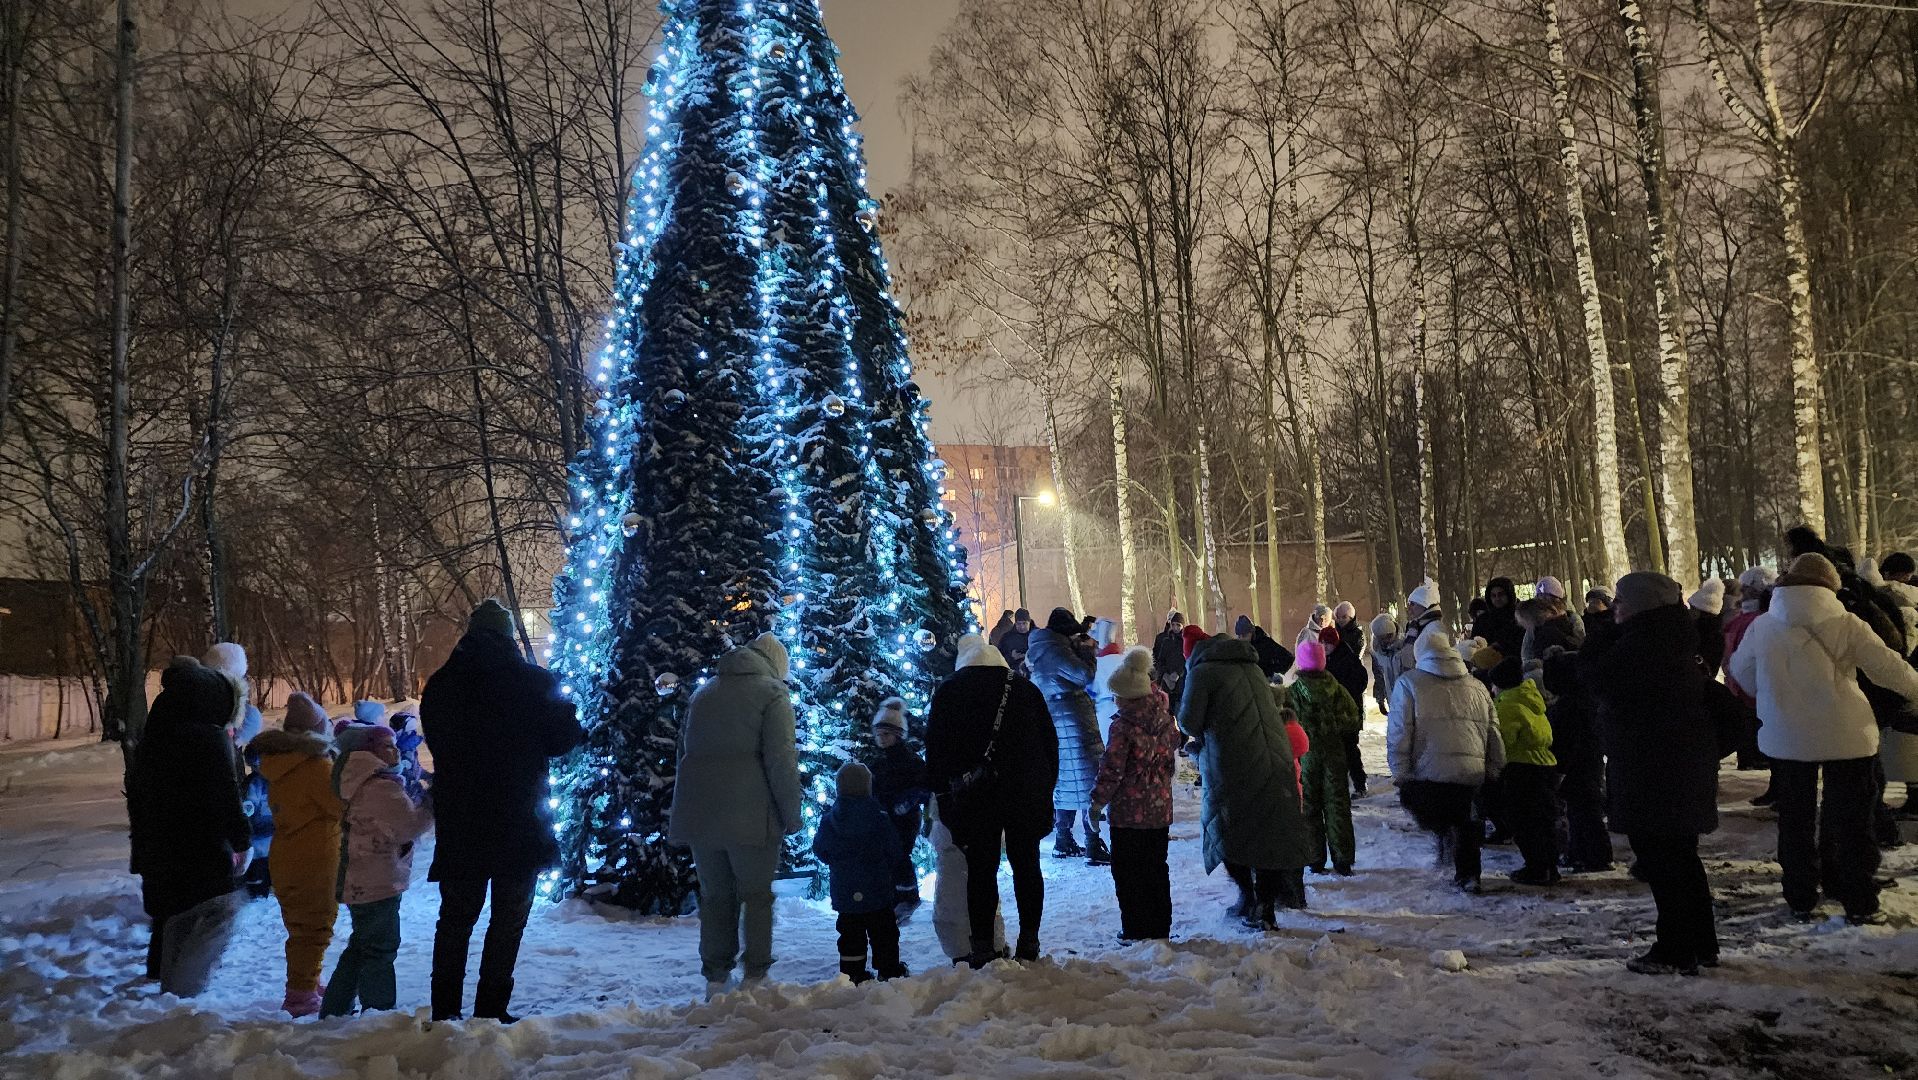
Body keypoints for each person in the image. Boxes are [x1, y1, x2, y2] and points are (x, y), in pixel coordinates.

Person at [1727, 553, 1918, 925]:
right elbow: (1888, 669)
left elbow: (1743, 673)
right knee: (1851, 820)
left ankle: (1800, 895)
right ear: (1831, 586)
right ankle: (1857, 897)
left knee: (1794, 820)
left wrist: (1776, 698)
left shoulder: (1763, 626)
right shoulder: (1846, 623)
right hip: (1846, 734)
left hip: (1786, 736)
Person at [422, 598, 584, 1021]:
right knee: (508, 921)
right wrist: (564, 708)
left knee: (455, 921)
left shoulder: (442, 684)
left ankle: (444, 1012)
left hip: (461, 822)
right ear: (509, 635)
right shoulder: (533, 681)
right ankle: (491, 1009)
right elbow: (562, 741)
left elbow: (439, 745)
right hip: (519, 820)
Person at [1582, 572, 1723, 973]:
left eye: (1621, 601)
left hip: (1652, 770)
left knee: (1663, 862)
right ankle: (1701, 943)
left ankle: (1676, 949)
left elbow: (1596, 677)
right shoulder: (1673, 635)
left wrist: (1601, 635)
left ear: (1641, 605)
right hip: (1679, 766)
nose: (1615, 607)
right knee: (1681, 858)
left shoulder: (1642, 643)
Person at [666, 631, 801, 998]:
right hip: (752, 816)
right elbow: (781, 761)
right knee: (756, 897)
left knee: (715, 896)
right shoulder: (773, 695)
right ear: (776, 666)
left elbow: (684, 756)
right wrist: (791, 813)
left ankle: (716, 978)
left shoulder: (703, 693)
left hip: (702, 816)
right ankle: (756, 975)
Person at [926, 634, 1058, 966]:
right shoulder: (1026, 690)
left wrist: (944, 798)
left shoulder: (950, 691)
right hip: (1024, 792)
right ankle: (1029, 940)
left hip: (977, 796)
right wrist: (1044, 792)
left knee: (981, 870)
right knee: (1027, 865)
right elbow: (1050, 746)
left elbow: (936, 752)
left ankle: (983, 946)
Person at [127, 657, 252, 998]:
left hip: (159, 848)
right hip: (201, 849)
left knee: (173, 918)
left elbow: (139, 797)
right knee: (213, 914)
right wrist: (241, 839)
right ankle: (183, 996)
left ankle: (169, 989)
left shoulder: (155, 736)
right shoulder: (209, 739)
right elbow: (224, 795)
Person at [1177, 630, 1311, 930]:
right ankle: (1265, 906)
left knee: (1229, 830)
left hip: (1235, 762)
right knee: (1269, 830)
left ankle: (1249, 897)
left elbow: (1188, 722)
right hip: (1275, 755)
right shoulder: (1251, 666)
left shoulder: (1202, 672)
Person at [321, 724, 435, 1017]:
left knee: (361, 946)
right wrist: (431, 804)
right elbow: (407, 826)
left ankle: (335, 1008)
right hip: (377, 881)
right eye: (387, 746)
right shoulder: (379, 786)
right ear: (367, 752)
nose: (395, 751)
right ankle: (378, 1012)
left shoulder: (359, 781)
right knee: (381, 949)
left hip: (362, 878)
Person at [1388, 630, 1504, 894]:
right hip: (1471, 773)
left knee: (1444, 813)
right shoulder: (1477, 686)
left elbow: (1400, 731)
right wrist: (1494, 767)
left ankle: (1446, 841)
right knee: (1468, 819)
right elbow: (1493, 731)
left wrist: (1400, 771)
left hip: (1429, 775)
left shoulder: (1409, 684)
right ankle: (1469, 873)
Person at [253, 692, 342, 1016]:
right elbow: (340, 806)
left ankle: (307, 981)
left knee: (300, 926)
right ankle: (300, 994)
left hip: (287, 854)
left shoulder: (281, 764)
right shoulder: (316, 767)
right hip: (315, 858)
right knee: (315, 928)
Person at [1089, 647, 1183, 941]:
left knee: (1128, 872)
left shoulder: (1123, 727)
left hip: (1128, 812)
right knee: (1156, 869)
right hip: (1159, 809)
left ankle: (1135, 928)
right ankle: (1159, 927)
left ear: (1129, 696)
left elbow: (1112, 769)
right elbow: (1171, 759)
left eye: (1118, 695)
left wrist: (1097, 803)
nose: (1115, 700)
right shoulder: (1166, 720)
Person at [811, 762, 910, 984]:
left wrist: (837, 864)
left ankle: (853, 972)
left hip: (845, 892)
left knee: (850, 934)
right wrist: (886, 867)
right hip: (878, 889)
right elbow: (894, 849)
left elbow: (820, 849)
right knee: (884, 931)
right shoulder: (880, 818)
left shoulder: (830, 820)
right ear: (868, 786)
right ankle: (888, 968)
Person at [1027, 607, 1107, 863]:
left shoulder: (1041, 648)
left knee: (1064, 780)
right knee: (1088, 779)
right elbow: (1085, 675)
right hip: (1073, 717)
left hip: (1054, 717)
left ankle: (1063, 840)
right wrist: (1087, 652)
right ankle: (1092, 843)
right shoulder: (1056, 650)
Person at [1287, 639, 1360, 876]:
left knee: (1308, 806)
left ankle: (1314, 858)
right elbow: (1353, 719)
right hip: (1334, 754)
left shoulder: (1293, 693)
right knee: (1337, 805)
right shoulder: (1336, 689)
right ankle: (1343, 859)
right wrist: (1332, 727)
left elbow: (1284, 722)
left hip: (1305, 757)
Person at [1489, 658, 1559, 886]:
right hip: (1545, 765)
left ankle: (1536, 868)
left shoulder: (1507, 705)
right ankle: (1549, 867)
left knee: (1524, 822)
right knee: (1544, 821)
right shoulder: (1531, 699)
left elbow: (1503, 742)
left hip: (1521, 768)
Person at [868, 697, 929, 917]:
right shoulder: (879, 762)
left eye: (886, 734)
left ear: (898, 734)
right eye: (879, 734)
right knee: (889, 854)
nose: (881, 739)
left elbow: (925, 786)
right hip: (886, 816)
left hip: (906, 817)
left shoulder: (910, 761)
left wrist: (908, 801)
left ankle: (908, 896)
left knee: (900, 853)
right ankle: (895, 897)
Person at [926, 799, 1005, 963]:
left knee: (953, 897)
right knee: (982, 893)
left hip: (949, 828)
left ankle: (961, 951)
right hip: (979, 825)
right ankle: (988, 946)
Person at [1723, 567, 1775, 779]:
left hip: (1739, 686)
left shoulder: (1737, 621)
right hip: (1753, 688)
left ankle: (1749, 758)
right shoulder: (1761, 620)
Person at [1329, 602, 1371, 796]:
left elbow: (1359, 677)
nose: (1340, 620)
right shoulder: (1332, 643)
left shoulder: (1355, 638)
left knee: (1350, 746)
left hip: (1350, 704)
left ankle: (1359, 783)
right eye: (1337, 617)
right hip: (1337, 707)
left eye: (1343, 617)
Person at [1381, 580, 1444, 692]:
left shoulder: (1433, 628)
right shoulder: (1416, 626)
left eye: (1413, 604)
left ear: (1424, 604)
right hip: (1415, 683)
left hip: (1425, 686)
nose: (1409, 607)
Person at [1089, 618, 1127, 744]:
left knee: (1109, 744)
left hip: (1104, 709)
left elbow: (1092, 689)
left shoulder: (1096, 664)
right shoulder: (1124, 660)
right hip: (1126, 708)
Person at [1470, 578, 1524, 659]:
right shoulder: (1482, 620)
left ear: (1509, 595)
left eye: (1501, 594)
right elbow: (1474, 645)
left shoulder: (1521, 617)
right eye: (1493, 595)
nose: (1497, 598)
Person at [1236, 615, 1296, 680]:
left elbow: (1286, 657)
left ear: (1251, 632)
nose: (1241, 639)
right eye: (1239, 636)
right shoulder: (1241, 647)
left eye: (1244, 635)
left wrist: (1272, 672)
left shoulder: (1264, 643)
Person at [1689, 580, 1728, 678]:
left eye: (1692, 608)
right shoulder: (1716, 633)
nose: (1689, 611)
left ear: (1700, 612)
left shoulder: (1697, 634)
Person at [1368, 611, 1399, 716]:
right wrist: (1380, 699)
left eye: (1388, 636)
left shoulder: (1404, 649)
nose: (1386, 641)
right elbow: (1379, 676)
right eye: (1382, 638)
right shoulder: (1377, 653)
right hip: (1391, 696)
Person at [1153, 611, 1187, 699]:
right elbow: (1160, 660)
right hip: (1167, 682)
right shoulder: (1166, 641)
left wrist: (1179, 672)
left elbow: (1188, 660)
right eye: (1173, 624)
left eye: (1178, 625)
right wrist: (1165, 674)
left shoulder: (1186, 641)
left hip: (1183, 682)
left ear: (1182, 625)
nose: (1175, 627)